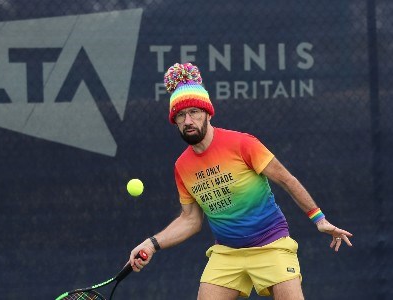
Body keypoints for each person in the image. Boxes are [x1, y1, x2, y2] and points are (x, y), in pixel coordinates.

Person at [128, 63, 353, 299]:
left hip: (271, 244)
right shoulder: (182, 166)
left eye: (194, 112)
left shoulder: (242, 144)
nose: (188, 121)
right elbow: (191, 220)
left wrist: (319, 219)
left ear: (207, 113)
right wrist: (151, 244)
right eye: (181, 116)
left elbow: (286, 180)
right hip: (227, 253)